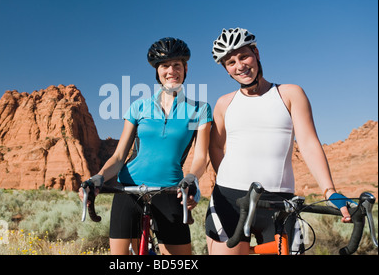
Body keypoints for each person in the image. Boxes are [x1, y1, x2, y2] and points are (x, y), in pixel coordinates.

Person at [205, 27, 355, 255]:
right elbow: (215, 145)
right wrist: (222, 179)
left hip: (280, 202)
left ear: (256, 52)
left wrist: (329, 190)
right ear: (226, 70)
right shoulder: (224, 103)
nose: (240, 65)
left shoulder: (290, 93)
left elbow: (308, 142)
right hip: (229, 199)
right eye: (230, 62)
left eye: (243, 56)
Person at [80, 37, 212, 255]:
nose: (171, 71)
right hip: (129, 191)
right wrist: (99, 177)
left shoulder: (198, 110)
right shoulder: (139, 107)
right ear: (157, 71)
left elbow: (200, 158)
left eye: (176, 65)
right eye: (164, 66)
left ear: (185, 68)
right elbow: (119, 155)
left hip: (170, 191)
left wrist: (191, 179)